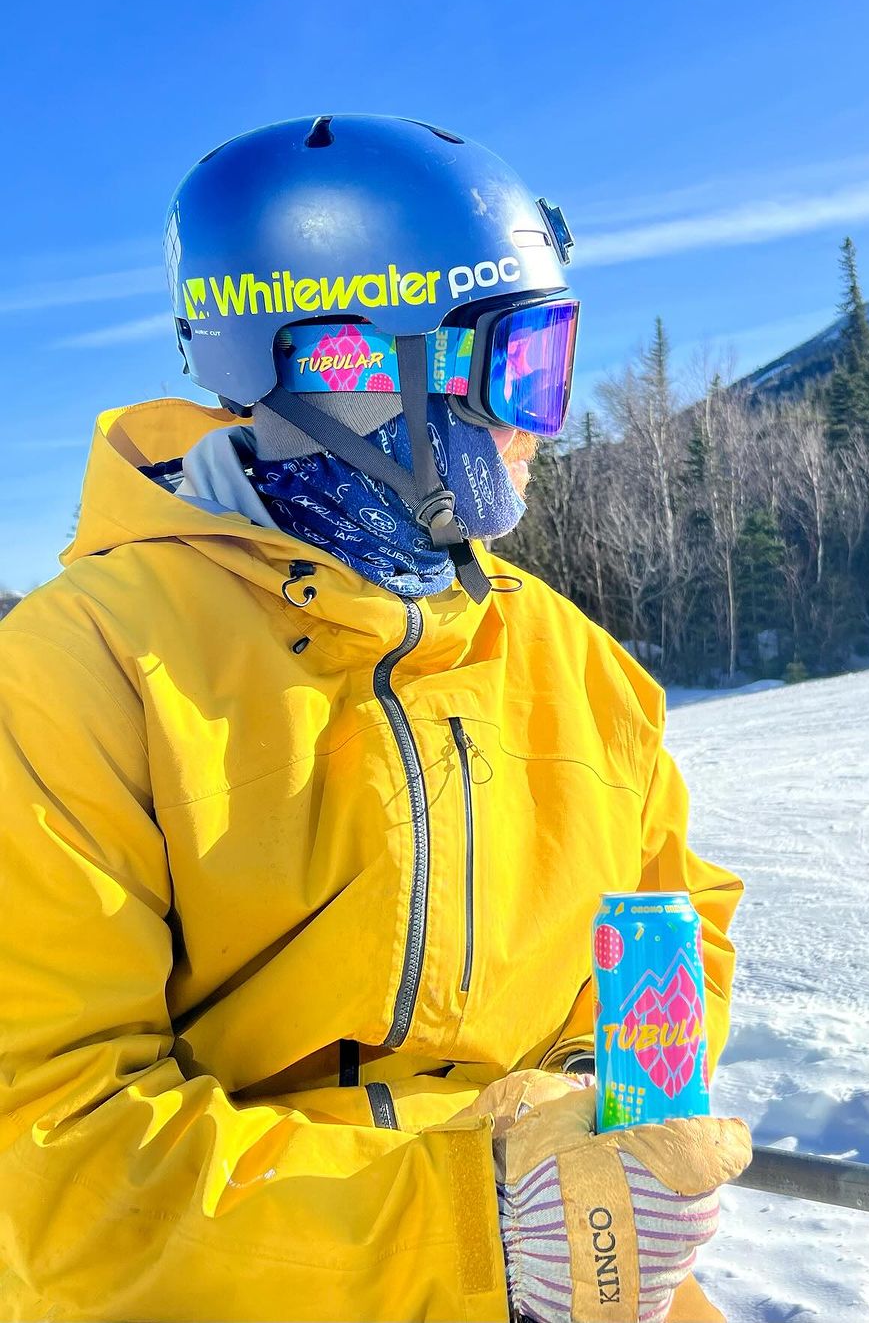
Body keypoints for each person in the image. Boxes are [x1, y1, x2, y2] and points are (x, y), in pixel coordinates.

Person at [0, 115, 749, 1322]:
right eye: (523, 367)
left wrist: (629, 1124)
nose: (541, 426)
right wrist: (468, 1227)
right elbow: (45, 1153)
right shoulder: (80, 673)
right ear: (351, 366)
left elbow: (669, 932)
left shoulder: (577, 664)